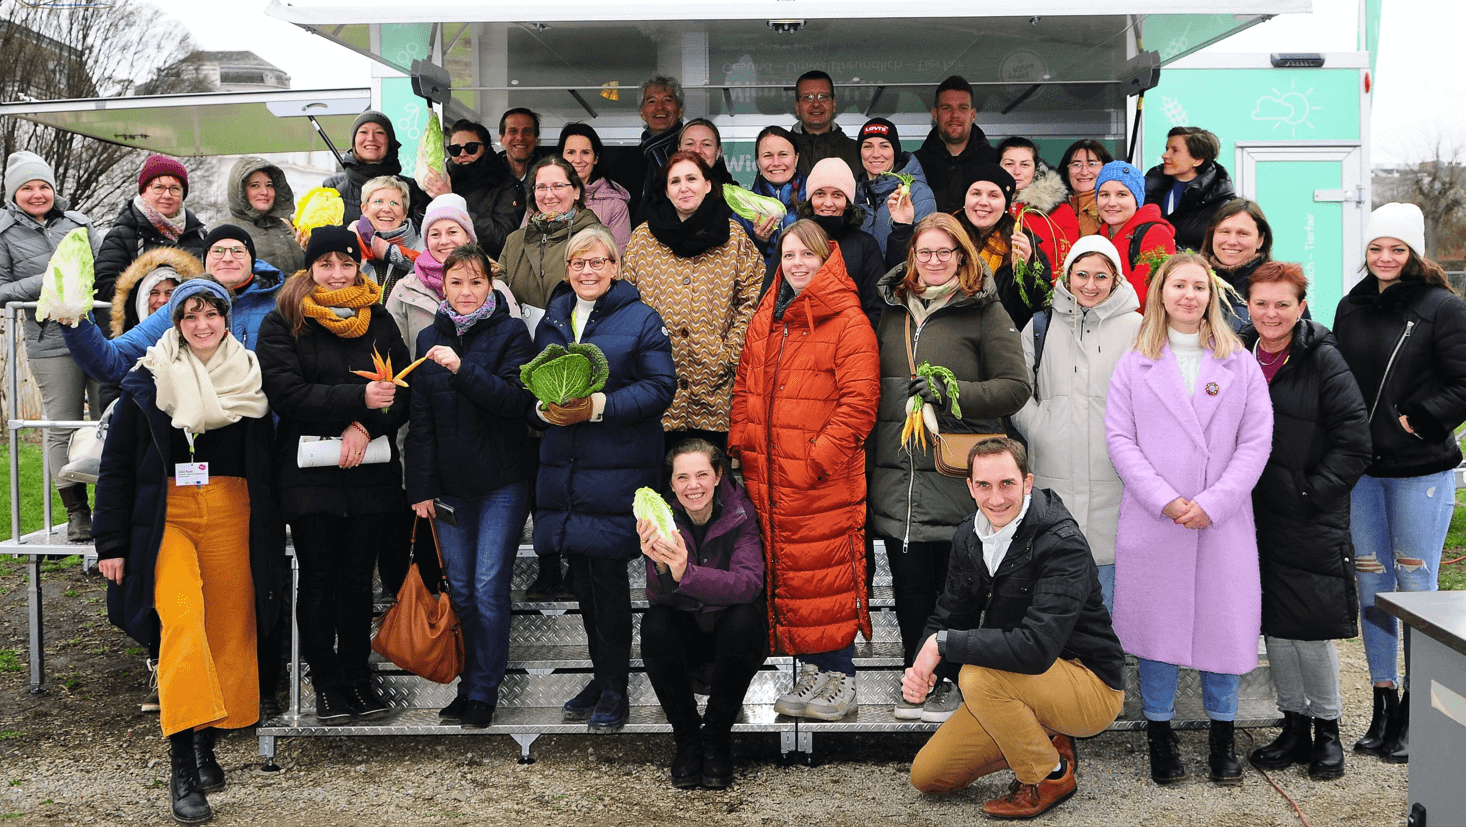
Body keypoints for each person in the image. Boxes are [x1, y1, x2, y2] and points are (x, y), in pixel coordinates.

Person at [93, 277, 282, 824]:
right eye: (190, 316)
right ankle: (180, 762)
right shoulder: (147, 380)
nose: (202, 325)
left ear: (226, 318)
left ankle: (206, 744)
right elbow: (117, 467)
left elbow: (268, 461)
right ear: (175, 323)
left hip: (232, 511)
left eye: (211, 315)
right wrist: (111, 542)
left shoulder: (249, 377)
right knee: (181, 623)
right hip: (166, 517)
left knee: (227, 629)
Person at [1105, 252, 1273, 786]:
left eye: (1199, 286)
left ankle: (1223, 736)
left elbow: (1256, 440)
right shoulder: (1136, 362)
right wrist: (1167, 500)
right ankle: (1160, 734)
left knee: (1223, 629)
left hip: (1222, 519)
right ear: (1161, 292)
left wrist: (1215, 502)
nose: (1188, 295)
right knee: (1159, 631)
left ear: (1211, 296)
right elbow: (1120, 440)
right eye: (1179, 285)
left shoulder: (1238, 361)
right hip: (1158, 519)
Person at [906, 438, 1125, 820]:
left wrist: (943, 644)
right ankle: (1042, 737)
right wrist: (921, 668)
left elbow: (1037, 648)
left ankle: (1050, 775)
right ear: (970, 487)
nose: (996, 498)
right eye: (984, 486)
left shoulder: (1062, 543)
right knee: (929, 776)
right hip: (1018, 682)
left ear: (1027, 482)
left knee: (977, 677)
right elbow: (949, 616)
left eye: (1007, 483)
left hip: (1088, 684)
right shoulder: (969, 536)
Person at [870, 212, 1030, 722]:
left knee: (958, 598)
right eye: (925, 252)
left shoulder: (984, 311)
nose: (934, 261)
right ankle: (918, 685)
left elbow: (1015, 387)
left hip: (960, 481)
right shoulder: (890, 312)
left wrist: (954, 394)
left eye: (945, 252)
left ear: (963, 256)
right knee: (911, 593)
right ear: (911, 257)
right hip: (900, 482)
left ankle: (962, 690)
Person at [255, 226, 411, 726]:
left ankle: (357, 679)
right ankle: (326, 683)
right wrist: (355, 403)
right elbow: (285, 392)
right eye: (326, 265)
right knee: (319, 579)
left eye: (346, 263)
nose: (337, 273)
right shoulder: (285, 320)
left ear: (359, 265)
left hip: (369, 471)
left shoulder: (379, 318)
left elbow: (402, 388)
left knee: (357, 581)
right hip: (308, 474)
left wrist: (365, 425)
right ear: (310, 269)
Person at [1332, 202, 1466, 765]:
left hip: (1420, 471)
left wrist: (1421, 419)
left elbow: (1463, 382)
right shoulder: (1350, 306)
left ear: (1415, 253)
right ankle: (1382, 701)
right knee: (1373, 590)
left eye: (1397, 248)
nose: (1384, 257)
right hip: (1363, 473)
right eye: (1375, 247)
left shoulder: (1442, 307)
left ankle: (1417, 706)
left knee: (1416, 588)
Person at [730, 220, 879, 722]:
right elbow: (744, 390)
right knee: (795, 575)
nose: (796, 264)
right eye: (788, 255)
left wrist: (817, 460)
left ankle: (842, 677)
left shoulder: (848, 320)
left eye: (806, 255)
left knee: (829, 572)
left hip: (820, 477)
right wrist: (742, 447)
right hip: (768, 476)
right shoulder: (768, 318)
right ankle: (811, 670)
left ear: (825, 259)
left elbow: (859, 404)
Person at [533, 226, 675, 732]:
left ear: (615, 266)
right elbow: (535, 380)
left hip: (615, 470)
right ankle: (602, 674)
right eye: (578, 264)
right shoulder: (554, 319)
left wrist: (597, 407)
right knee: (587, 588)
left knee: (608, 585)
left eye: (597, 262)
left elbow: (661, 388)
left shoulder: (641, 319)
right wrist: (543, 410)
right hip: (566, 473)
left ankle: (615, 689)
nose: (587, 272)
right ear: (567, 270)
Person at [1239, 261, 1370, 781]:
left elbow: (1354, 442)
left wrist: (1311, 492)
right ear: (1248, 305)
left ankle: (1328, 729)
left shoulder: (1324, 360)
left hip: (1309, 513)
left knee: (1310, 628)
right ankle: (1293, 725)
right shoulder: (1238, 355)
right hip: (1253, 515)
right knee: (1276, 623)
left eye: (1282, 304)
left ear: (1301, 307)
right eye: (1261, 303)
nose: (1271, 314)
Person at [406, 243, 536, 730]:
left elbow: (514, 402)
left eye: (475, 282)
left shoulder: (512, 332)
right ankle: (466, 683)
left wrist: (461, 368)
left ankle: (484, 689)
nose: (465, 291)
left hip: (501, 482)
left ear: (490, 285)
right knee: (459, 589)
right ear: (442, 284)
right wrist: (419, 486)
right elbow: (421, 424)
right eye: (456, 282)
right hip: (448, 489)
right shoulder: (426, 339)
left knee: (487, 587)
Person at [1011, 235, 1141, 611]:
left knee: (1107, 610)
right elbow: (1019, 389)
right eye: (1081, 274)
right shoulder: (1040, 326)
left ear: (1116, 279)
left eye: (1101, 276)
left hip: (1113, 483)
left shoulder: (1137, 328)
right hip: (1053, 473)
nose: (1090, 284)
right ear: (1067, 276)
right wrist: (1040, 428)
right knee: (1055, 610)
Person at [638, 439, 767, 790]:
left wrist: (686, 574)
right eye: (682, 477)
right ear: (672, 483)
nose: (692, 486)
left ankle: (717, 738)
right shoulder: (661, 517)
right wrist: (662, 566)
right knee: (654, 625)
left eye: (701, 475)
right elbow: (659, 598)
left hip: (732, 637)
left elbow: (748, 584)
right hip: (688, 632)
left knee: (745, 618)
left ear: (718, 475)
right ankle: (687, 740)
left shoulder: (741, 512)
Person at [621, 151, 763, 454]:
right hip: (656, 382)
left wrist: (729, 352)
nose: (684, 187)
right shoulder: (643, 239)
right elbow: (625, 301)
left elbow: (754, 297)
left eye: (691, 179)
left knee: (708, 483)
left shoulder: (734, 237)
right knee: (661, 481)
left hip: (714, 385)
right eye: (675, 181)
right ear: (666, 190)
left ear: (708, 185)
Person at [0, 150, 102, 542]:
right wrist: (49, 279)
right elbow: (2, 290)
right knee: (60, 424)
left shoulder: (78, 223)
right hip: (50, 341)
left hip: (95, 336)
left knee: (109, 418)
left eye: (44, 186)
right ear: (14, 194)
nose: (38, 194)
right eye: (28, 188)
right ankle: (77, 513)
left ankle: (112, 504)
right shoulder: (4, 233)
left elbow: (104, 268)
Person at [60, 223, 288, 383]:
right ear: (205, 260)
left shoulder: (280, 303)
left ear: (252, 258)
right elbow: (113, 362)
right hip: (199, 430)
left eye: (238, 250)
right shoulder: (178, 307)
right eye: (217, 251)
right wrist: (76, 323)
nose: (227, 257)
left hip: (265, 431)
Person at [897, 164, 1051, 331]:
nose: (983, 202)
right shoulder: (941, 235)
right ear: (965, 199)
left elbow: (1039, 309)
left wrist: (1025, 271)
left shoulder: (1022, 245)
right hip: (943, 334)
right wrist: (902, 227)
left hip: (999, 340)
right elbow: (905, 280)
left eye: (994, 195)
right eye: (976, 193)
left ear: (1006, 204)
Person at [387, 193, 520, 357]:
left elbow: (516, 351)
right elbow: (392, 353)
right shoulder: (405, 289)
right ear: (426, 241)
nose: (443, 241)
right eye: (435, 234)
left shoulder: (497, 290)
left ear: (468, 238)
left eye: (452, 232)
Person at [94, 154, 207, 328]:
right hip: (138, 332)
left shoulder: (199, 235)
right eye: (159, 187)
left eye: (175, 189)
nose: (167, 195)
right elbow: (103, 287)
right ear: (144, 191)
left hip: (193, 331)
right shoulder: (121, 235)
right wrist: (153, 293)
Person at [501, 156, 604, 327]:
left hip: (575, 345)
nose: (549, 195)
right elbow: (499, 293)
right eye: (541, 187)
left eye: (558, 186)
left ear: (577, 191)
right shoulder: (515, 241)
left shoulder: (596, 238)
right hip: (522, 346)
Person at [797, 157, 888, 328]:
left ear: (848, 202)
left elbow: (877, 310)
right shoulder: (794, 241)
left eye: (837, 195)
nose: (828, 203)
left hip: (852, 346)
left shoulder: (865, 245)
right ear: (810, 200)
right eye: (820, 194)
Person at [429, 119, 523, 258]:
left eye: (471, 147)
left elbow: (502, 239)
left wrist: (452, 202)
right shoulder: (441, 182)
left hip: (485, 269)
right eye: (455, 150)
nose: (462, 154)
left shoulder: (506, 185)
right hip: (441, 266)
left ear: (486, 148)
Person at [323, 110, 429, 225]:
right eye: (363, 132)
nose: (371, 138)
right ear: (354, 141)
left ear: (389, 141)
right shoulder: (332, 187)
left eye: (379, 132)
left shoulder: (412, 187)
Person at [1095, 160, 1176, 306]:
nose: (1111, 202)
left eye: (1121, 195)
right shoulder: (1098, 237)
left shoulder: (1156, 234)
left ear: (1137, 200)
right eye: (1104, 194)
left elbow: (1141, 299)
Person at [913, 75, 998, 214]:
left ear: (973, 114)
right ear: (935, 114)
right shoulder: (914, 164)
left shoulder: (995, 161)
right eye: (947, 108)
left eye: (962, 108)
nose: (955, 115)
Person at [1144, 127, 1237, 252]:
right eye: (1167, 149)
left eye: (1175, 150)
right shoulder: (1149, 189)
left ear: (1197, 160)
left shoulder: (1223, 205)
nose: (1165, 155)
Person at [854, 118, 936, 259]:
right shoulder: (853, 194)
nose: (875, 153)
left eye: (884, 146)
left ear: (895, 152)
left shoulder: (918, 194)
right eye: (867, 146)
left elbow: (924, 254)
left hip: (902, 280)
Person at [608, 75, 685, 223]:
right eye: (652, 101)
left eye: (667, 100)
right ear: (643, 113)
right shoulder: (623, 164)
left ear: (680, 110)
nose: (660, 107)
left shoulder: (693, 156)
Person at [998, 137, 1076, 272]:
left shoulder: (1060, 211)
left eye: (1025, 165)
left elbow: (1068, 264)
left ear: (1036, 169)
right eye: (1009, 164)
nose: (1016, 171)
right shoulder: (984, 209)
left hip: (1045, 290)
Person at [732, 126, 803, 272]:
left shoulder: (816, 198)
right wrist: (759, 242)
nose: (776, 162)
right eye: (768, 156)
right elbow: (737, 264)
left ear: (796, 158)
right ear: (758, 162)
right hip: (765, 289)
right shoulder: (743, 207)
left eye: (783, 154)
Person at [556, 122, 632, 254]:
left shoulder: (615, 204)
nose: (578, 160)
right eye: (571, 152)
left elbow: (620, 256)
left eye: (585, 152)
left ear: (595, 158)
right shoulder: (543, 196)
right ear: (561, 157)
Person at [1202, 199, 1273, 325]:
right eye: (1224, 232)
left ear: (1260, 240)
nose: (1232, 241)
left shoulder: (1279, 284)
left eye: (1243, 233)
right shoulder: (1193, 282)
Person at [226, 156, 303, 275]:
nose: (264, 192)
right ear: (239, 190)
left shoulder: (291, 226)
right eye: (254, 185)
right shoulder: (226, 230)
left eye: (269, 185)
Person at [353, 176, 422, 299]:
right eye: (378, 201)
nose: (386, 209)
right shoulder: (349, 244)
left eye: (394, 203)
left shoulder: (422, 249)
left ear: (404, 213)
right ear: (364, 209)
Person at [788, 70, 861, 176]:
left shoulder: (856, 152)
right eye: (808, 97)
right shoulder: (780, 152)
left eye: (823, 97)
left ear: (834, 104)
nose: (816, 104)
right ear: (797, 107)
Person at [1056, 139, 1113, 238]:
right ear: (1067, 170)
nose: (1084, 172)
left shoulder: (1113, 208)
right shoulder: (1051, 210)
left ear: (1106, 168)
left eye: (1092, 164)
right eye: (1076, 165)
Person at [498, 108, 547, 185]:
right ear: (502, 138)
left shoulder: (552, 173)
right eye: (513, 131)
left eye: (527, 131)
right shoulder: (487, 175)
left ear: (536, 139)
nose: (520, 137)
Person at [678, 119, 735, 185]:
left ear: (718, 152)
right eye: (690, 144)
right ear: (679, 150)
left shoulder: (734, 193)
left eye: (706, 144)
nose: (697, 150)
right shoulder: (664, 190)